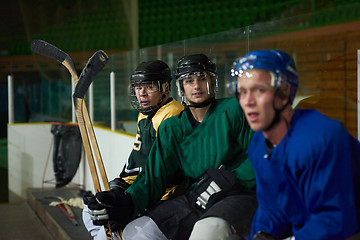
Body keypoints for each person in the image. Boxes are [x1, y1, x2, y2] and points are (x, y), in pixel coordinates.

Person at [88, 53, 257, 240]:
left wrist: (230, 179)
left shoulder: (234, 110)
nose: (196, 86)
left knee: (207, 232)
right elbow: (153, 178)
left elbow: (263, 155)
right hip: (195, 199)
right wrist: (125, 201)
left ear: (213, 82)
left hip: (239, 196)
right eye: (189, 81)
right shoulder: (172, 128)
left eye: (202, 79)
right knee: (137, 232)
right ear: (181, 88)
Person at [231, 49, 360, 240]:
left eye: (259, 90)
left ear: (284, 92)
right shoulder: (259, 143)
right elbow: (271, 209)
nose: (248, 101)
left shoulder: (322, 137)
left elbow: (335, 220)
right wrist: (260, 235)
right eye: (242, 91)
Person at [82, 60, 184, 240]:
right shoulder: (145, 112)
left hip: (161, 193)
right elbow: (139, 158)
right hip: (136, 184)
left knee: (110, 233)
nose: (142, 93)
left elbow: (161, 171)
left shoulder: (172, 113)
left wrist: (126, 198)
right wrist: (119, 187)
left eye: (149, 87)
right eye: (138, 87)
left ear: (165, 88)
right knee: (90, 211)